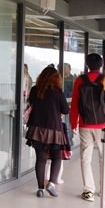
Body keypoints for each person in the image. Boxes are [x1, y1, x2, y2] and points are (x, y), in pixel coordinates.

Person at [69, 53, 105, 202]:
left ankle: (88, 191)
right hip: (103, 126)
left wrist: (74, 123)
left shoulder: (80, 80)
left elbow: (75, 103)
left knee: (85, 157)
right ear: (101, 65)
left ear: (87, 64)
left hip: (85, 124)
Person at [26, 66, 69, 198]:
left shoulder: (35, 90)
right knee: (57, 157)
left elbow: (30, 103)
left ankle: (40, 189)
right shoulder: (58, 92)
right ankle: (51, 183)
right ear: (57, 79)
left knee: (41, 159)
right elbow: (66, 110)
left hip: (37, 129)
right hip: (54, 130)